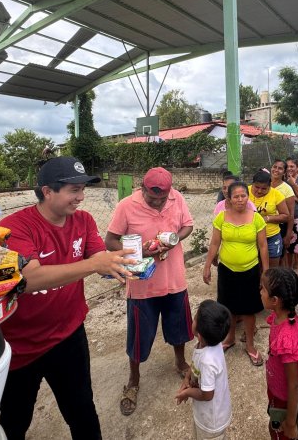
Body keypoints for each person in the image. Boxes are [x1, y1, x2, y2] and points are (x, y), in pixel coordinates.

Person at [0, 156, 136, 440]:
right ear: (48, 191)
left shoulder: (83, 220)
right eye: (74, 190)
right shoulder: (16, 227)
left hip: (69, 335)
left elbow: (99, 257)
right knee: (14, 420)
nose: (81, 197)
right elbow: (30, 279)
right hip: (21, 345)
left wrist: (122, 265)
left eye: (83, 189)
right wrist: (95, 265)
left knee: (82, 409)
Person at [105, 167, 195, 416]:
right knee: (139, 336)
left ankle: (180, 362)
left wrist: (174, 238)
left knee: (179, 327)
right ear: (142, 188)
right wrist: (140, 251)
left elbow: (188, 225)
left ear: (169, 192)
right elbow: (110, 240)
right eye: (151, 197)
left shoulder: (177, 198)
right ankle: (133, 380)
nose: (157, 202)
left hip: (174, 279)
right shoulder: (126, 205)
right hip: (142, 284)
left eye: (161, 199)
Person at [204, 181, 269, 366]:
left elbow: (263, 246)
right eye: (236, 196)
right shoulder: (221, 217)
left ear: (247, 197)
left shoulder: (257, 218)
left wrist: (265, 272)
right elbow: (215, 243)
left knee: (248, 310)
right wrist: (208, 265)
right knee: (227, 307)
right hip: (226, 270)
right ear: (229, 199)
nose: (240, 199)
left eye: (243, 196)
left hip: (250, 270)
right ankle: (230, 338)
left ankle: (250, 345)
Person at [260, 267, 298, 440]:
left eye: (262, 289)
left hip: (289, 402)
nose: (259, 291)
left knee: (284, 435)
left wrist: (290, 423)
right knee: (274, 429)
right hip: (278, 393)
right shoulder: (281, 316)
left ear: (275, 300)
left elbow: (294, 386)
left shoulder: (288, 339)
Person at [176, 300, 232, 440]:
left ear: (199, 334)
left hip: (211, 421)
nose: (193, 319)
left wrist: (186, 393)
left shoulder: (208, 361)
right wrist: (187, 378)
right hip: (206, 414)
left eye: (195, 318)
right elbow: (195, 362)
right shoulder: (208, 342)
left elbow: (207, 395)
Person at [249, 169, 290, 268]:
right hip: (250, 237)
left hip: (271, 236)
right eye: (256, 187)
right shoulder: (245, 192)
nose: (259, 191)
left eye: (264, 189)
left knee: (272, 269)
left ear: (270, 186)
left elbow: (286, 216)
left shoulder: (276, 194)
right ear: (252, 184)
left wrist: (267, 218)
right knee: (253, 266)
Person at [270, 159, 296, 261]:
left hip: (280, 227)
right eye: (274, 167)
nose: (276, 170)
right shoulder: (264, 185)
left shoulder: (287, 189)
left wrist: (288, 235)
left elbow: (291, 215)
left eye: (280, 168)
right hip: (263, 225)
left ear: (284, 172)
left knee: (279, 258)